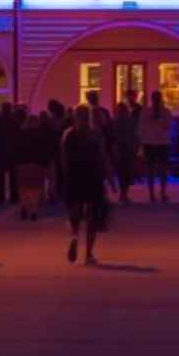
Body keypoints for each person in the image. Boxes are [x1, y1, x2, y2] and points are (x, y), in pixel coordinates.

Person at [62, 105, 109, 265]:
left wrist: (66, 175)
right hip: (93, 176)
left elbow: (63, 157)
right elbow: (102, 156)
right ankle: (89, 253)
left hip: (75, 175)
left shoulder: (69, 134)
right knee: (92, 217)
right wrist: (107, 178)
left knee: (75, 210)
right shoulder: (95, 134)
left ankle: (74, 236)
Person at [15, 111, 51, 220]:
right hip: (36, 164)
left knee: (23, 188)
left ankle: (24, 206)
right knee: (36, 188)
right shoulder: (41, 135)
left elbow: (16, 150)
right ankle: (34, 210)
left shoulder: (20, 134)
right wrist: (46, 164)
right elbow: (44, 151)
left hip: (22, 164)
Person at [140, 90, 173, 203]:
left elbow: (168, 126)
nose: (156, 100)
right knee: (150, 170)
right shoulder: (146, 112)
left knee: (163, 169)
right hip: (149, 143)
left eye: (157, 98)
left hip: (162, 143)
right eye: (154, 98)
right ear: (152, 99)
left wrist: (159, 118)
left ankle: (162, 193)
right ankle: (151, 194)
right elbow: (142, 127)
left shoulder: (166, 112)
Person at [0, 102, 20, 206]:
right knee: (13, 176)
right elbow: (19, 134)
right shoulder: (14, 121)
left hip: (0, 151)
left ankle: (0, 197)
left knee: (0, 176)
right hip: (12, 151)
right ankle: (14, 196)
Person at [113, 101, 138, 204]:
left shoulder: (120, 121)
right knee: (124, 173)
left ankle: (123, 194)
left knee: (124, 173)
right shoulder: (125, 121)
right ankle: (123, 194)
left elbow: (134, 135)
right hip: (125, 149)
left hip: (125, 149)